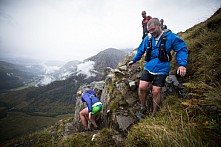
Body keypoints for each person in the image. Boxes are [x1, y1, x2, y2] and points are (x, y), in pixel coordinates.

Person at [128, 18, 188, 118]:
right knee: (142, 87)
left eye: (153, 30)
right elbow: (140, 50)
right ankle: (143, 107)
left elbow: (181, 49)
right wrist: (134, 60)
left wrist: (182, 64)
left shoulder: (170, 37)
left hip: (162, 68)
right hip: (149, 66)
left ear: (159, 26)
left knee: (156, 91)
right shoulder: (148, 38)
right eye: (149, 31)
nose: (151, 33)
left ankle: (154, 112)